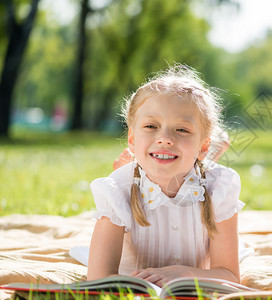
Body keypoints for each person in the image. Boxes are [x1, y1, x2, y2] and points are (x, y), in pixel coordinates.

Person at [87, 65, 244, 287]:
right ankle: (127, 163)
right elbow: (98, 279)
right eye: (151, 126)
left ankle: (207, 152)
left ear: (203, 145)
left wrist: (183, 274)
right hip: (136, 182)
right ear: (131, 139)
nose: (164, 138)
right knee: (131, 174)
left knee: (203, 171)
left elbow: (229, 275)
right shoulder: (116, 192)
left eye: (181, 129)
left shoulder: (220, 187)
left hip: (200, 168)